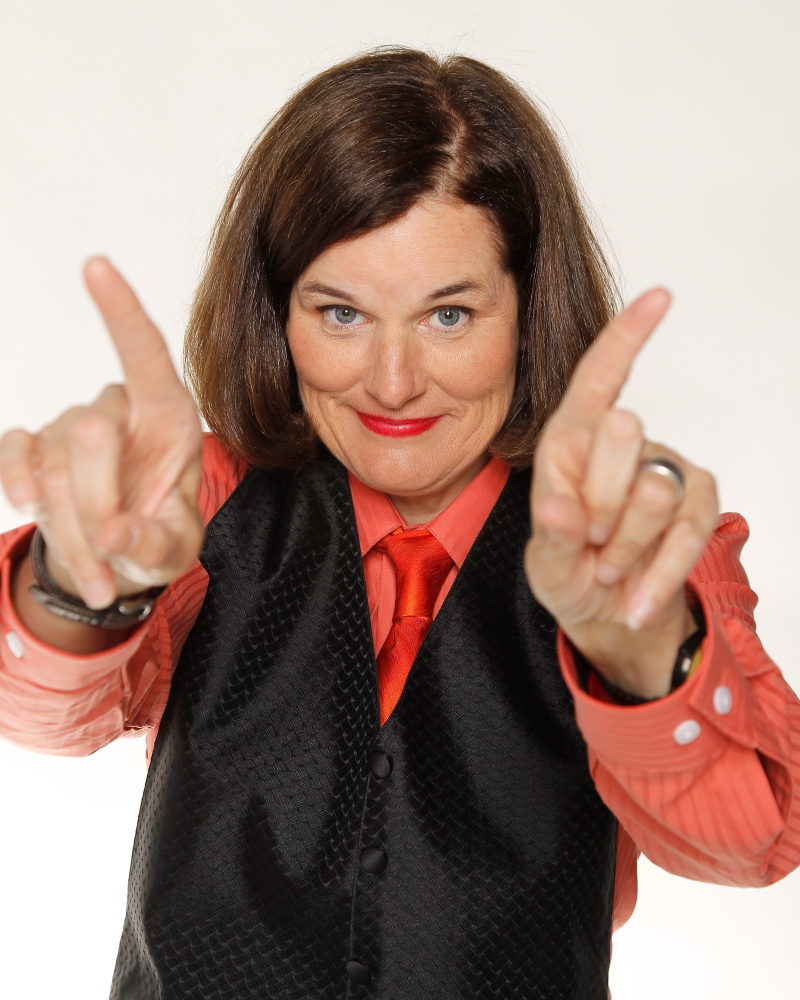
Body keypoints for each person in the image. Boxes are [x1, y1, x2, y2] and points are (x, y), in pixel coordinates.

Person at [0, 47, 798, 1000]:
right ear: (278, 314)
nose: (390, 383)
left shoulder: (639, 546)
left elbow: (749, 848)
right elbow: (44, 712)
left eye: (448, 317)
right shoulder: (200, 498)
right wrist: (74, 587)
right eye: (339, 314)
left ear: (527, 309)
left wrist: (643, 661)